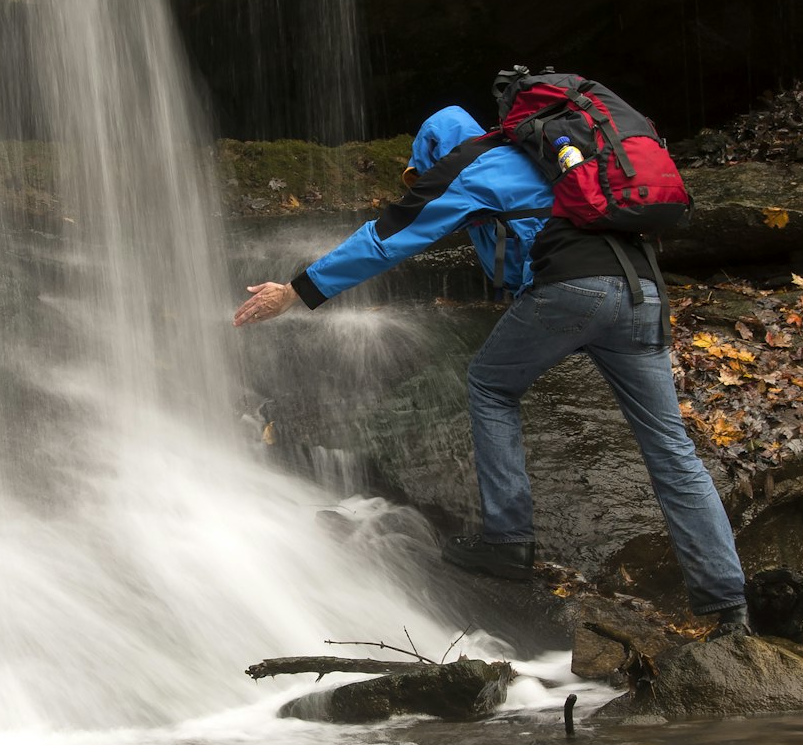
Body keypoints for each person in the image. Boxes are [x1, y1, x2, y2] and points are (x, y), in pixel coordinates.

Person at [233, 82, 750, 637]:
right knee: (672, 449)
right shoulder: (555, 162)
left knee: (490, 385)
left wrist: (297, 290)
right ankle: (728, 607)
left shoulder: (477, 163)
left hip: (575, 289)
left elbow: (389, 238)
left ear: (438, 148)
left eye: (423, 166)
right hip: (642, 293)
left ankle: (507, 540)